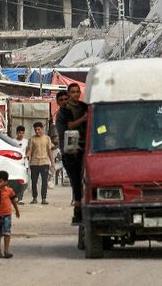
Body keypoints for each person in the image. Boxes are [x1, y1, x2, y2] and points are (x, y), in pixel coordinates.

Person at [57, 83, 88, 223]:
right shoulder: (65, 111)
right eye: (73, 92)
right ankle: (78, 211)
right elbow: (69, 126)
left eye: (77, 92)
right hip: (71, 151)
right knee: (76, 181)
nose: (76, 94)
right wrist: (83, 119)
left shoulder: (83, 106)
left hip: (85, 148)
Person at [26, 122, 54, 205]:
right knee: (34, 182)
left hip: (44, 163)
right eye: (35, 130)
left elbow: (49, 151)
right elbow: (30, 150)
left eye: (38, 129)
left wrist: (52, 163)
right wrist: (25, 157)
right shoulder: (32, 139)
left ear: (42, 129)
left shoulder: (47, 138)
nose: (37, 131)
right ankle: (34, 198)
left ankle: (44, 199)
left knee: (44, 182)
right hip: (34, 163)